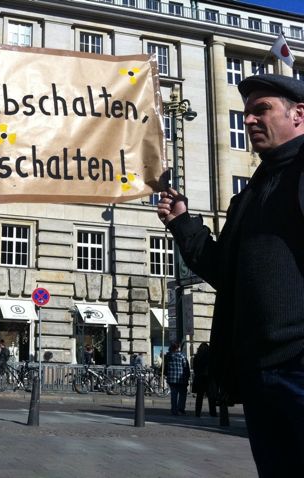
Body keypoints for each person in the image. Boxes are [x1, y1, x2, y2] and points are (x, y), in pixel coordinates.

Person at [157, 74, 304, 474]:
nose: (250, 121)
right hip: (259, 369)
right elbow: (227, 272)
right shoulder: (250, 194)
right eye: (247, 114)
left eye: (262, 110)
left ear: (299, 115)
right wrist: (184, 223)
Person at [163, 342, 190, 416]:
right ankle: (181, 409)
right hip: (181, 379)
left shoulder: (168, 356)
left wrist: (166, 374)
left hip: (171, 379)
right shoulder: (182, 356)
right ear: (178, 347)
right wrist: (187, 377)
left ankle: (174, 410)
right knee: (182, 395)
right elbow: (186, 367)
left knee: (173, 395)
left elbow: (165, 367)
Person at [192, 343, 217, 418]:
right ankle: (213, 412)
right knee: (211, 397)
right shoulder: (210, 356)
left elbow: (195, 368)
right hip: (209, 378)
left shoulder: (197, 356)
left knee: (199, 397)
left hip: (200, 378)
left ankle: (197, 413)